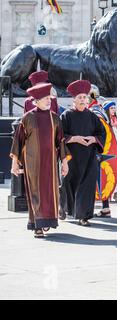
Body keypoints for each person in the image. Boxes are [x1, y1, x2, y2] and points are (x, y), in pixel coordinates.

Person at [10, 83, 70, 238]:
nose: (49, 100)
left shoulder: (55, 119)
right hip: (32, 163)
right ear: (36, 101)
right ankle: (37, 225)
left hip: (50, 164)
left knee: (50, 192)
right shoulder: (27, 118)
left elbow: (61, 142)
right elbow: (18, 141)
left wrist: (64, 163)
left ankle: (46, 221)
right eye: (45, 98)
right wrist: (15, 163)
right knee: (35, 191)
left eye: (49, 98)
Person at [60, 80, 106, 226]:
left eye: (84, 98)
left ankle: (83, 216)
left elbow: (101, 133)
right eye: (79, 98)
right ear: (74, 100)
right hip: (71, 156)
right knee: (68, 184)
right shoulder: (66, 116)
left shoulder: (92, 116)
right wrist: (75, 138)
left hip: (89, 157)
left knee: (87, 185)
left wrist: (93, 139)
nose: (82, 100)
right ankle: (65, 208)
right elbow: (60, 135)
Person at [96, 101, 117, 217]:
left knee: (102, 178)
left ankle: (104, 208)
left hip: (104, 152)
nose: (113, 110)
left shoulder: (105, 119)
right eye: (111, 108)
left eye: (114, 108)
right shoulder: (103, 118)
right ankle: (105, 207)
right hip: (105, 152)